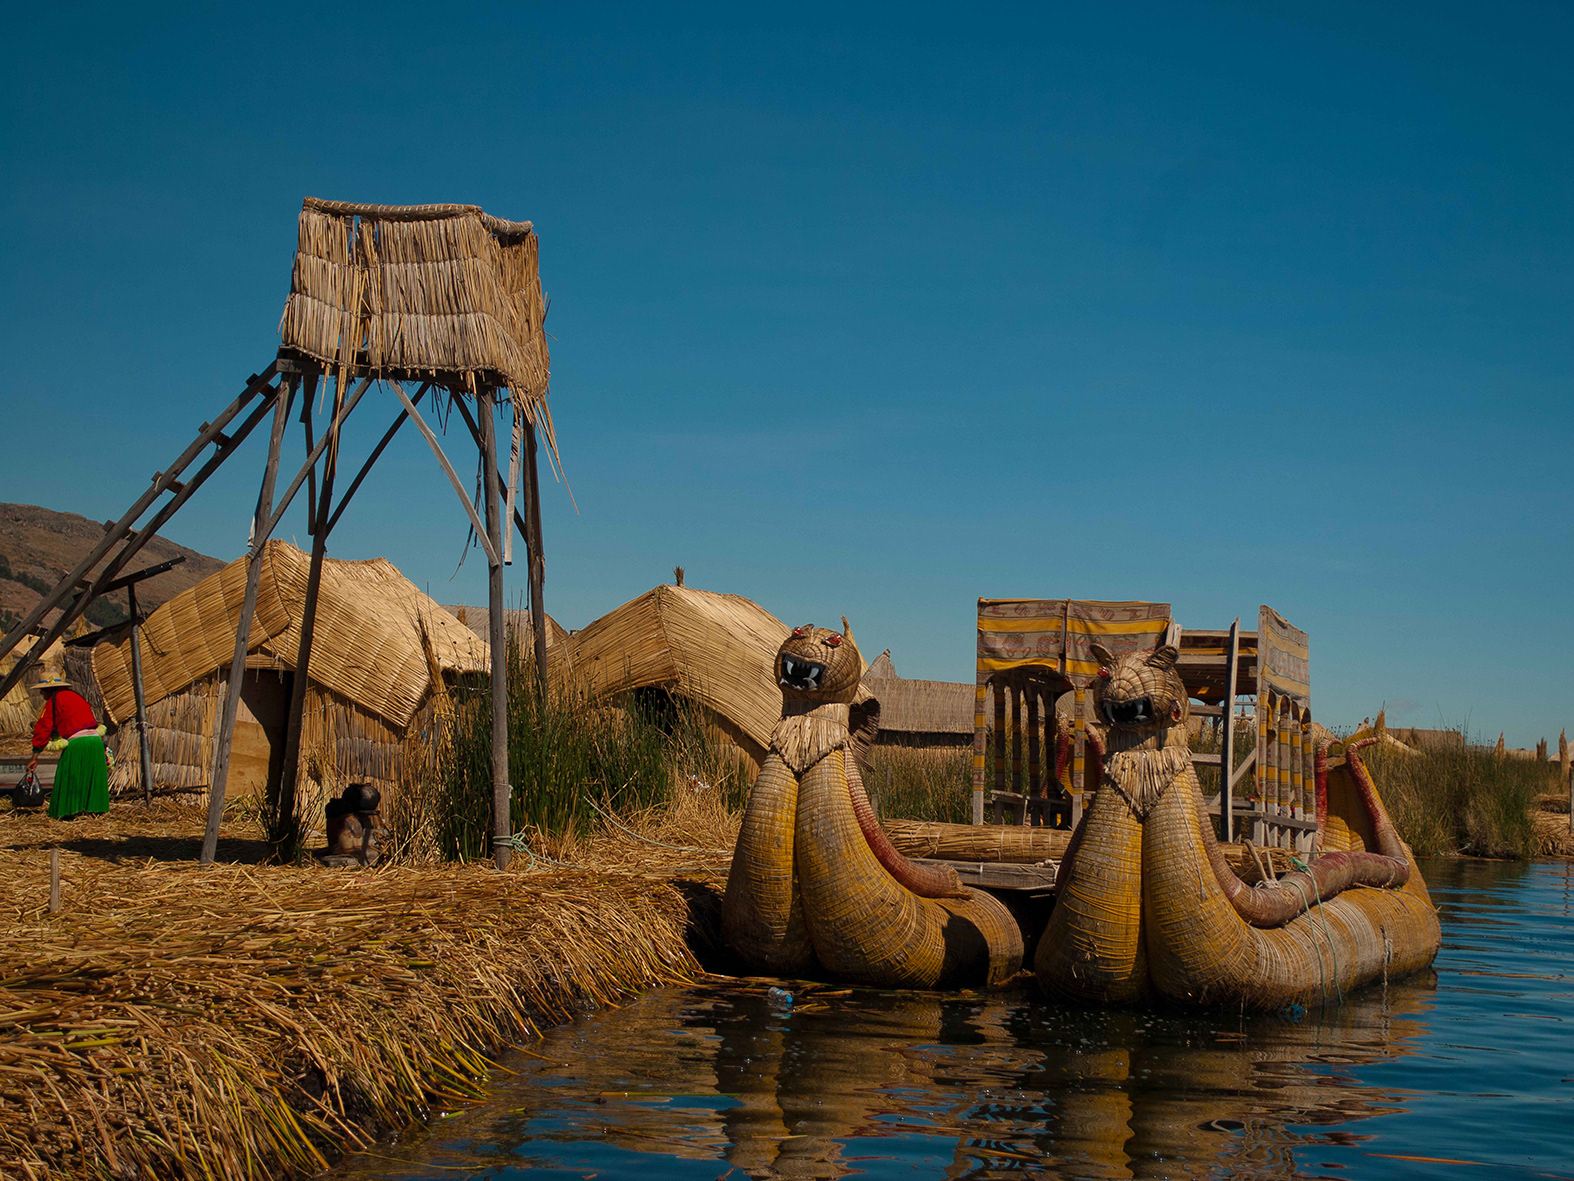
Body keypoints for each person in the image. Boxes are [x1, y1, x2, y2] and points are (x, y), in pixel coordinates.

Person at [28, 673, 109, 820]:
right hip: (96, 742)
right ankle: (92, 813)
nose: (41, 694)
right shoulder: (76, 696)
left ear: (49, 690)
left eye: (42, 690)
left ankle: (69, 812)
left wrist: (35, 757)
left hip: (78, 744)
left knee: (70, 777)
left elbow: (43, 729)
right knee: (90, 778)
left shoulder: (53, 702)